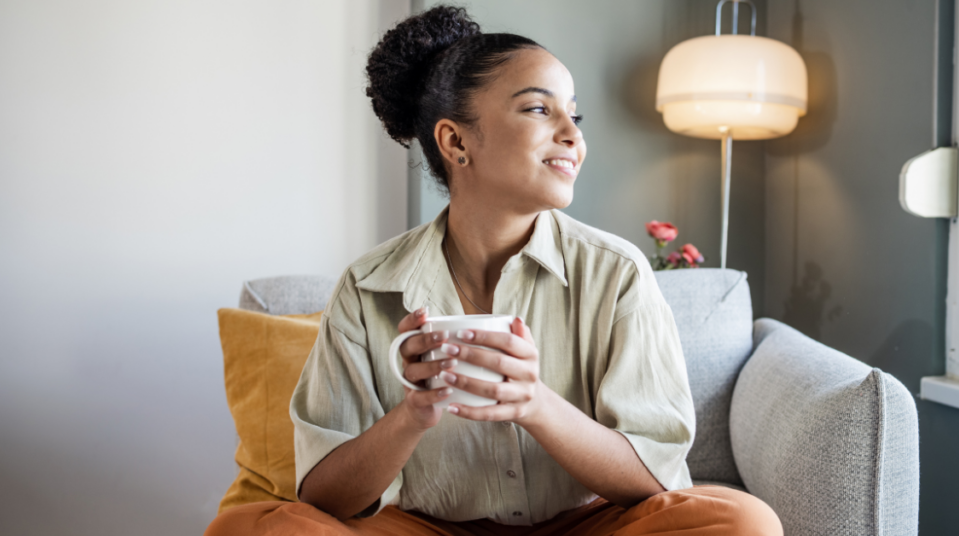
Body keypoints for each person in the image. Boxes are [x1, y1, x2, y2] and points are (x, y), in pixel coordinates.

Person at [205, 5, 783, 535]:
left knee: (742, 522)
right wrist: (414, 412)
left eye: (574, 114)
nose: (573, 135)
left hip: (585, 526)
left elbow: (655, 481)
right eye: (539, 108)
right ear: (456, 142)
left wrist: (535, 403)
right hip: (425, 526)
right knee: (247, 528)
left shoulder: (618, 273)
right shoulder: (366, 287)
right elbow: (326, 499)